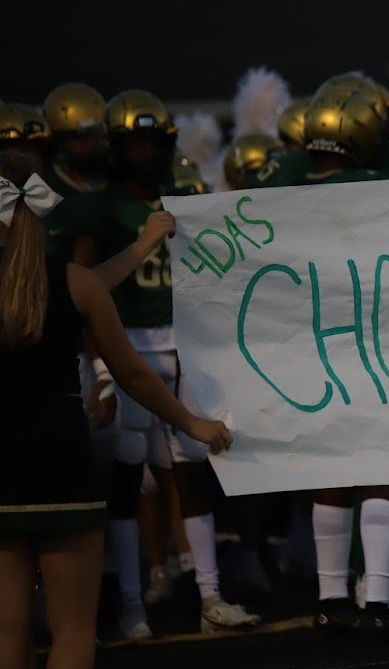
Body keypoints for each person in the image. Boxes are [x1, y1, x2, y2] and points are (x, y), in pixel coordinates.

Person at [0, 149, 230, 669]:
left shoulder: (72, 283)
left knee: (8, 634)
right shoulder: (73, 284)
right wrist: (192, 425)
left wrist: (142, 241)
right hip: (62, 467)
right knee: (74, 633)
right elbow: (130, 372)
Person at [68, 89, 259, 637]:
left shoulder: (186, 199)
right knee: (131, 470)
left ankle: (209, 593)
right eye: (135, 142)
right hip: (127, 346)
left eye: (153, 141)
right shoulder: (99, 208)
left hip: (185, 344)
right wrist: (101, 370)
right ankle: (132, 602)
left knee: (192, 465)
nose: (145, 153)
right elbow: (79, 291)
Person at [276, 83, 389, 637]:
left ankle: (331, 596)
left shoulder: (281, 185)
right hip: (376, 339)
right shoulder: (386, 184)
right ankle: (377, 600)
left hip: (313, 343)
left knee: (330, 467)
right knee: (383, 464)